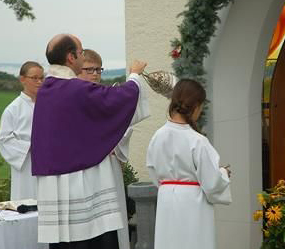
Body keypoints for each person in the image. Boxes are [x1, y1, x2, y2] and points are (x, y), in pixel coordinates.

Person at [31, 34, 149, 249]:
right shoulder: (74, 89)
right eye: (81, 51)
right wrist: (134, 76)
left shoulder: (48, 89)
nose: (82, 55)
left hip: (56, 184)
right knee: (92, 239)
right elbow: (116, 101)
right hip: (81, 183)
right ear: (70, 57)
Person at [146, 79, 231, 249]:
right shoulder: (198, 141)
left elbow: (152, 170)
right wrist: (223, 173)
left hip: (166, 198)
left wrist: (169, 186)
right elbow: (211, 182)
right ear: (196, 106)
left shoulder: (158, 136)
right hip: (193, 202)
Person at [78, 48, 134, 249]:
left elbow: (126, 122)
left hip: (107, 168)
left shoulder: (108, 96)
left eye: (98, 70)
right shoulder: (71, 99)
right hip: (82, 170)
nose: (94, 74)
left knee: (113, 221)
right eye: (88, 69)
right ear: (77, 70)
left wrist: (114, 142)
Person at [0, 61, 44, 201]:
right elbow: (4, 140)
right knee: (26, 203)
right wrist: (30, 146)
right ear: (22, 79)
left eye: (42, 78)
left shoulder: (47, 105)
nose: (39, 82)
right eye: (34, 78)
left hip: (47, 162)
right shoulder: (13, 109)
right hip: (25, 164)